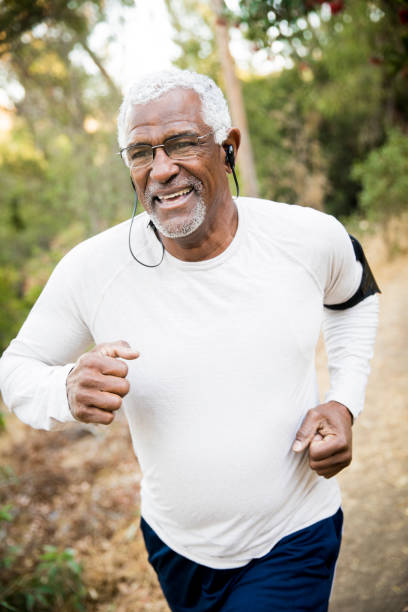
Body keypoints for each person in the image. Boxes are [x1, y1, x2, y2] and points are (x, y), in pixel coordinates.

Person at [0, 69, 379, 611]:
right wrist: (63, 389)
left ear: (227, 149)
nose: (161, 169)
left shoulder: (308, 237)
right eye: (140, 152)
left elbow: (356, 297)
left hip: (295, 534)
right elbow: (16, 368)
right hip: (176, 548)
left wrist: (345, 401)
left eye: (181, 143)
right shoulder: (92, 269)